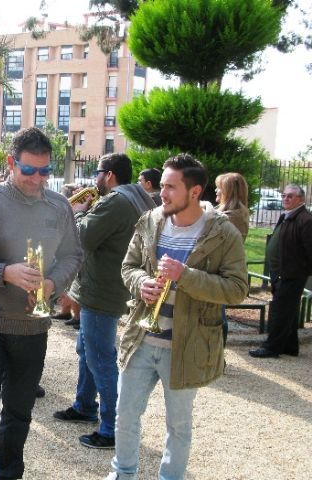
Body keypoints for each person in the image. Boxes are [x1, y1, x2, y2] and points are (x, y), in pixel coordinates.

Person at [0, 127, 83, 480]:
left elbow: (73, 255)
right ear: (11, 163)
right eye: (28, 170)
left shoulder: (59, 205)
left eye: (44, 171)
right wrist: (3, 272)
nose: (38, 179)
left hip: (33, 326)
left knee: (19, 412)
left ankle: (7, 474)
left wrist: (54, 283)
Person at [104, 153, 248, 480]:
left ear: (195, 192)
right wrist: (142, 284)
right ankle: (122, 474)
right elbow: (129, 267)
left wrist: (186, 275)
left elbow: (238, 289)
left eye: (170, 187)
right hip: (140, 339)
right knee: (125, 416)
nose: (161, 193)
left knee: (179, 426)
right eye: (163, 185)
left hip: (187, 345)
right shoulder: (151, 220)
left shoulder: (223, 233)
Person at [53, 153, 156, 450]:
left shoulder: (116, 201)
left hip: (102, 290)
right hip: (106, 286)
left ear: (109, 175)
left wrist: (81, 211)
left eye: (98, 172)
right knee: (87, 348)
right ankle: (84, 405)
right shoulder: (137, 198)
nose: (95, 179)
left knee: (100, 357)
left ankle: (111, 427)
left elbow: (84, 238)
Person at [249, 184, 312, 358]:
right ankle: (290, 346)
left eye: (290, 196)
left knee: (279, 311)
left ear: (301, 199)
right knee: (287, 311)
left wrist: (299, 269)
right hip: (281, 273)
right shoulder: (287, 216)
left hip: (292, 274)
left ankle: (271, 347)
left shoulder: (305, 219)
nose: (285, 199)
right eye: (284, 196)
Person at [215, 172, 250, 344]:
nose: (216, 190)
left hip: (221, 270)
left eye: (219, 187)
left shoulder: (230, 217)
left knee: (217, 315)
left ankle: (217, 355)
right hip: (222, 268)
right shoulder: (234, 213)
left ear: (228, 191)